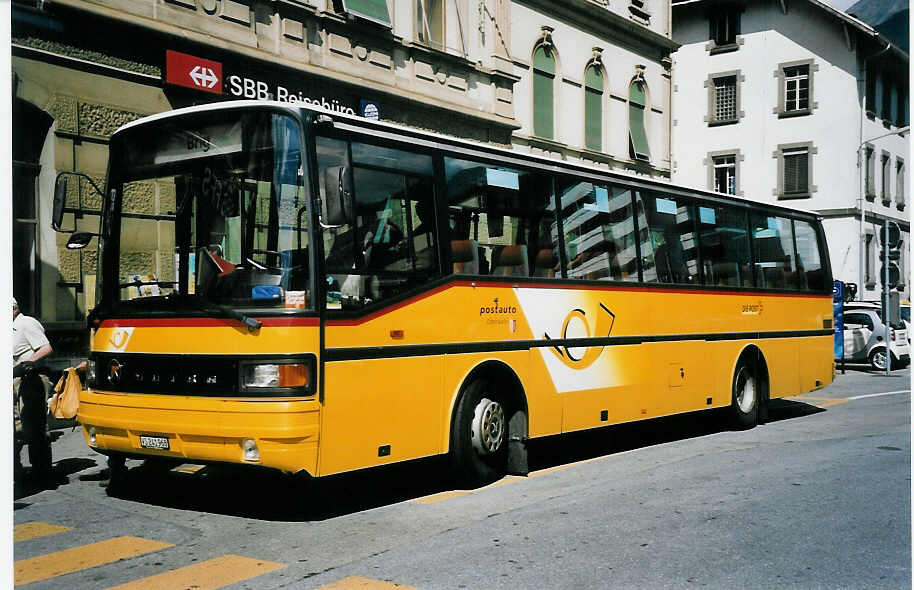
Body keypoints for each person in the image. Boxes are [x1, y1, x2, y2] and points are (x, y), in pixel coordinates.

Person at [13, 297, 53, 481]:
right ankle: (16, 469)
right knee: (15, 426)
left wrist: (29, 362)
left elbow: (46, 348)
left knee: (35, 425)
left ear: (13, 309)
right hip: (14, 379)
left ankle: (41, 470)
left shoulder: (26, 323)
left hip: (31, 379)